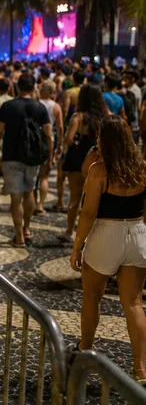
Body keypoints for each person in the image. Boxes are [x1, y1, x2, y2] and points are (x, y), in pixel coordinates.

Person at [69, 115, 146, 385]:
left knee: (92, 296)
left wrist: (77, 246)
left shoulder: (99, 170)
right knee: (134, 304)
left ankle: (85, 348)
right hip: (136, 233)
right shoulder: (142, 167)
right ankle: (140, 369)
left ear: (106, 139)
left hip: (106, 234)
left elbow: (89, 212)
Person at [0, 73, 53, 246]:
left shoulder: (8, 106)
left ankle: (18, 236)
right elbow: (48, 134)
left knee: (15, 198)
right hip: (33, 157)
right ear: (34, 88)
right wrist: (50, 155)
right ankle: (27, 228)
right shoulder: (40, 108)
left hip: (11, 155)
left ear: (17, 87)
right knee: (30, 191)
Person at [59, 85, 109, 242]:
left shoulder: (78, 117)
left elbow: (68, 139)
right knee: (97, 198)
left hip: (78, 160)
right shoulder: (106, 117)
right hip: (100, 160)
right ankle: (93, 232)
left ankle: (69, 231)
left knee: (75, 198)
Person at [36, 81, 64, 215]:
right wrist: (60, 146)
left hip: (34, 140)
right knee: (44, 177)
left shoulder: (36, 104)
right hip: (48, 141)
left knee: (32, 175)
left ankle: (30, 202)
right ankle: (40, 204)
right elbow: (60, 128)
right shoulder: (56, 107)